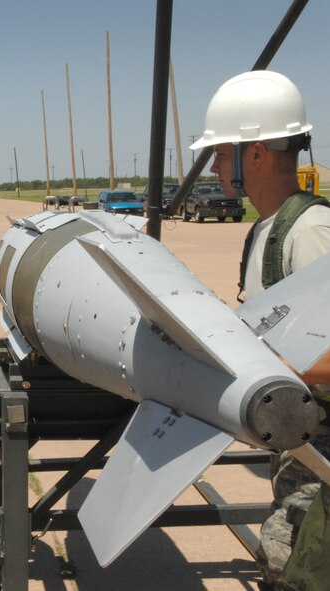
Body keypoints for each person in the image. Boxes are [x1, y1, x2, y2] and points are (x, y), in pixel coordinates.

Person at [190, 70, 330, 591]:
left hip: (320, 453)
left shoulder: (310, 231)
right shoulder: (264, 231)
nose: (217, 165)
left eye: (223, 153)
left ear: (257, 154)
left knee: (290, 572)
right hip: (298, 449)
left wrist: (274, 371)